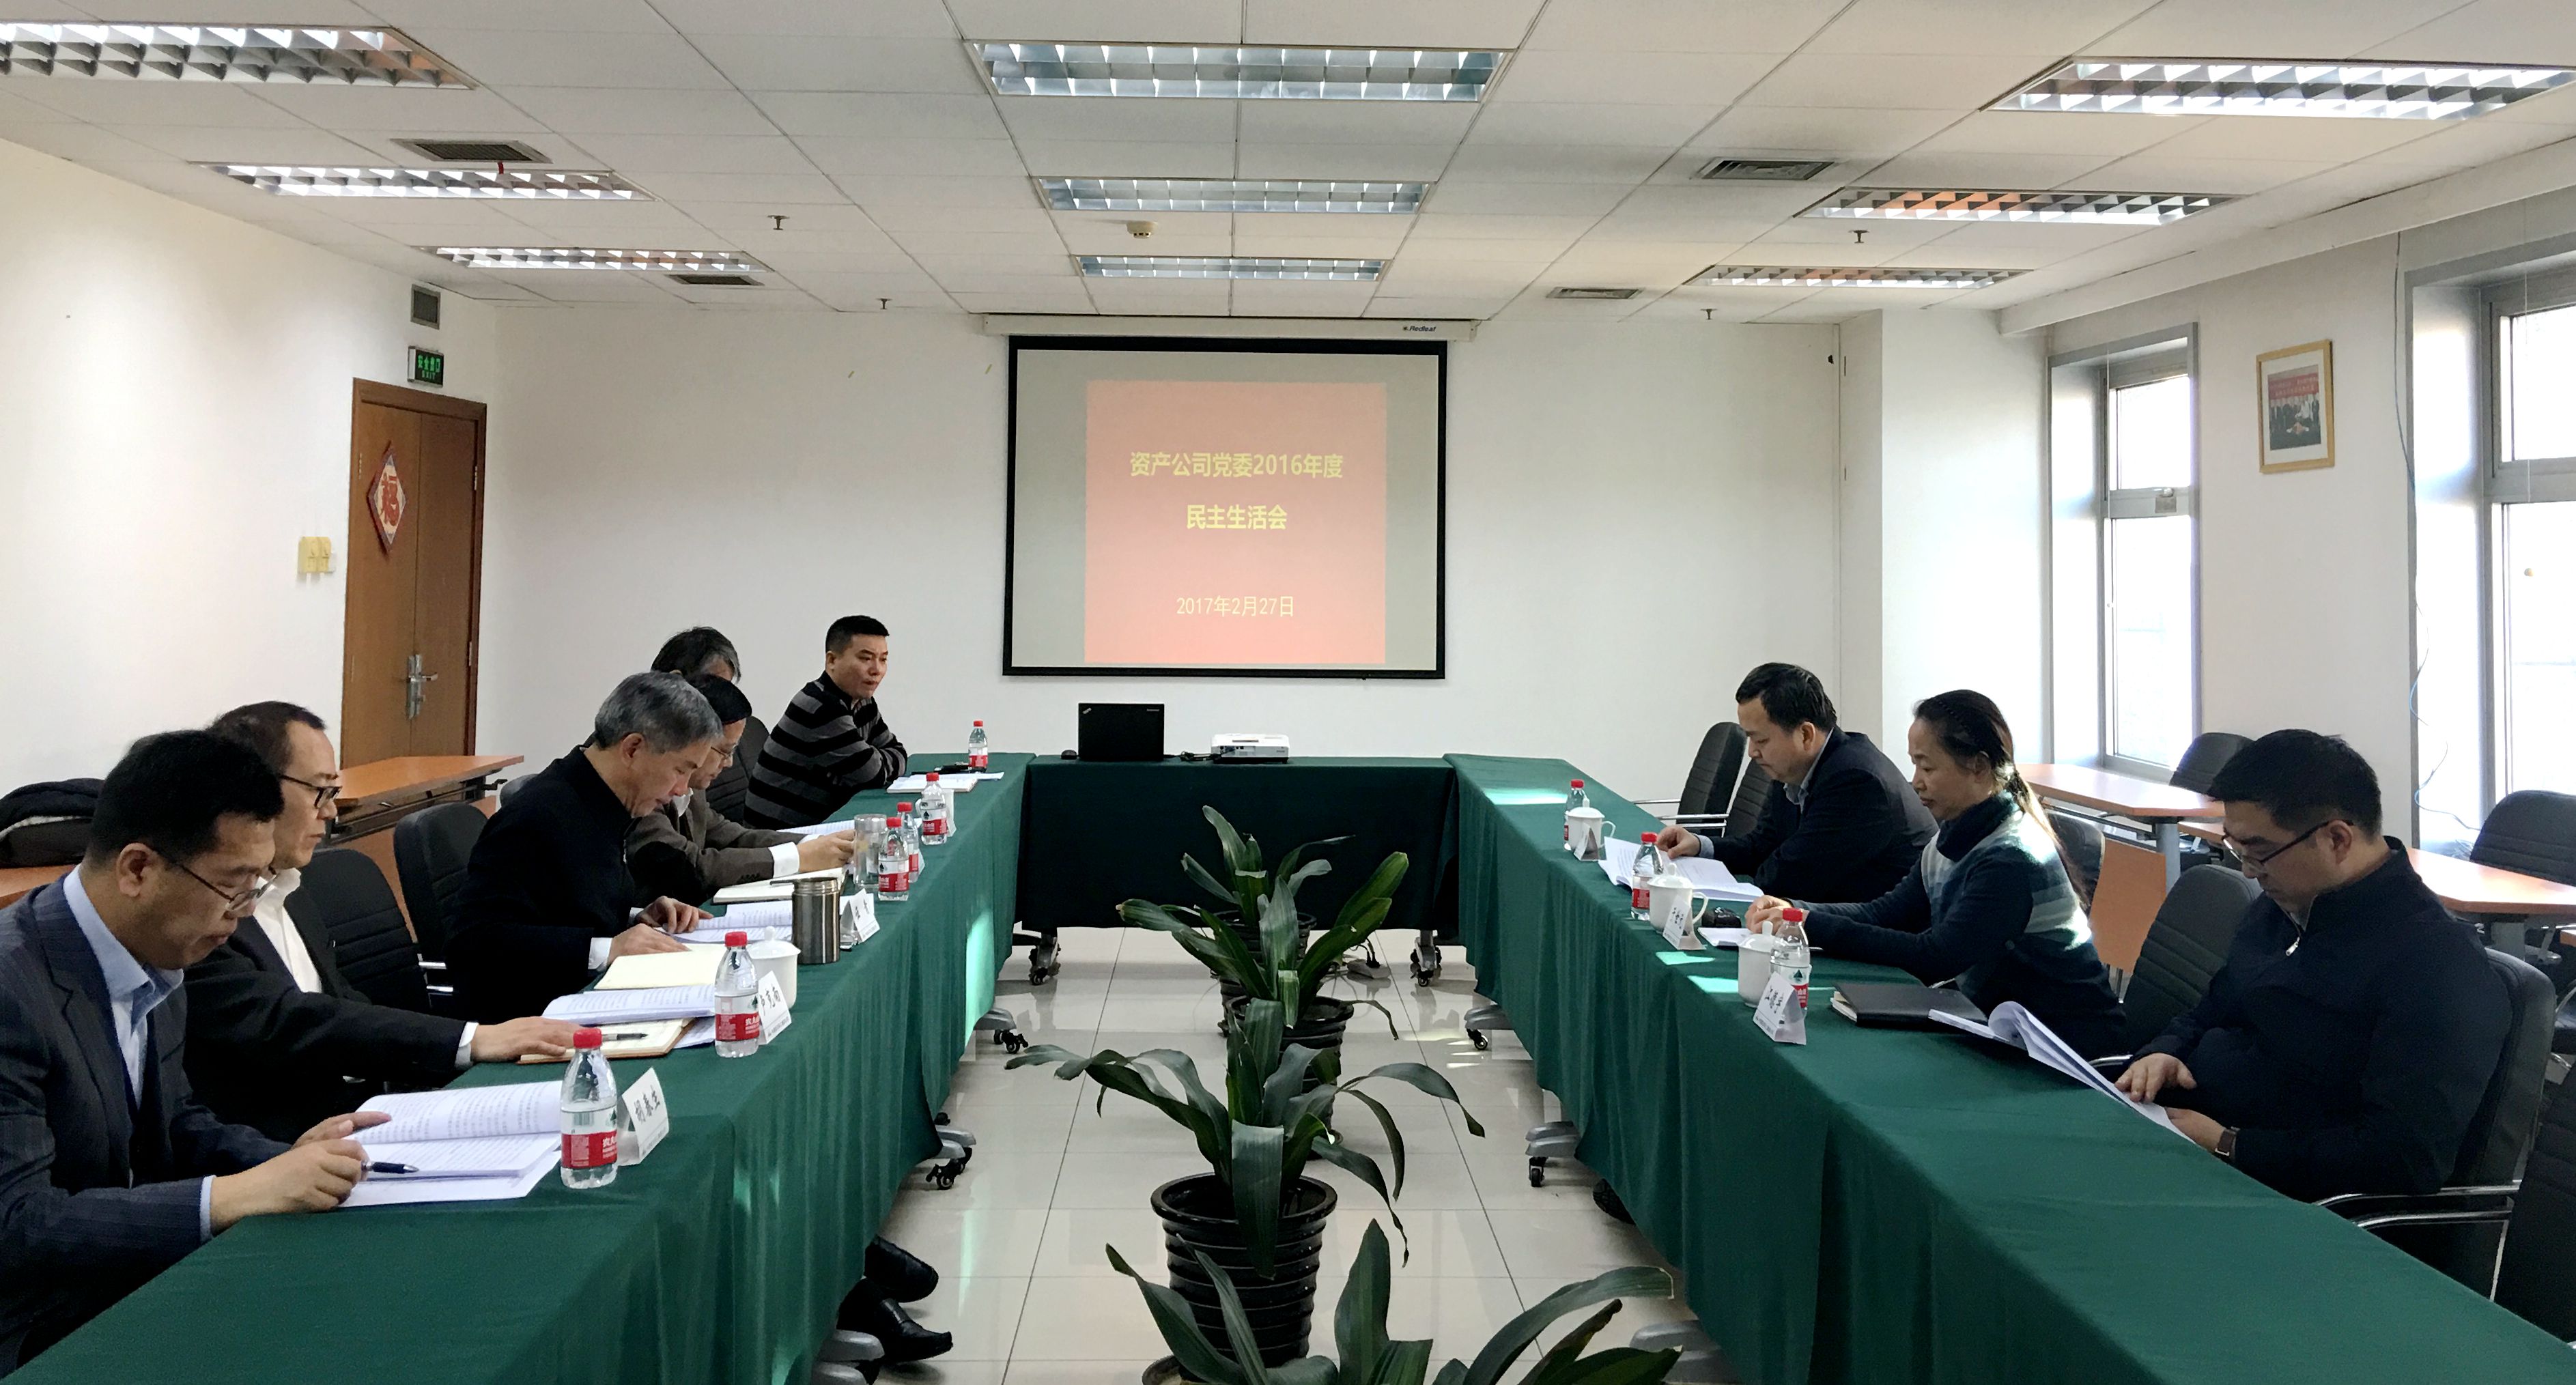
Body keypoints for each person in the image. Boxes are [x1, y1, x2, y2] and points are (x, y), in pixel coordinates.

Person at [0, 732, 386, 1373]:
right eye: (234, 886)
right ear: (138, 869)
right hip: (38, 1331)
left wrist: (289, 1161)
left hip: (134, 1279)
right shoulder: (13, 988)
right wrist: (229, 1196)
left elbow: (176, 1122)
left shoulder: (159, 950)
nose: (244, 913)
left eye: (257, 884)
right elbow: (17, 1225)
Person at [2115, 731, 2509, 1199]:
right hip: (2190, 1140)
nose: (2247, 871)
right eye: (2236, 848)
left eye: (2259, 851)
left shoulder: (2434, 964)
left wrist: (2231, 1145)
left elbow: (2405, 1157)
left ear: (2336, 839)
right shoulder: (2282, 906)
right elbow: (2213, 1008)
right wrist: (2166, 1051)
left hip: (2275, 1192)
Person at [186, 702, 578, 1141]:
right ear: (254, 791)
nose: (331, 813)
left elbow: (343, 1005)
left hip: (358, 1117)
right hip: (278, 1144)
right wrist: (470, 1040)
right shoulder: (202, 915)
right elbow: (289, 1021)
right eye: (320, 791)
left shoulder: (290, 888)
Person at [1746, 690, 2123, 1056]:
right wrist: (1796, 912)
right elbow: (1886, 912)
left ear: (1978, 766)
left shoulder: (2011, 858)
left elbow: (1934, 956)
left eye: (1927, 767)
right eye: (1914, 765)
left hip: (2064, 1049)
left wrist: (1812, 924)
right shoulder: (1952, 838)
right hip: (2003, 1031)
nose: (1916, 782)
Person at [445, 674, 714, 1023]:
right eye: (680, 770)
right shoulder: (538, 816)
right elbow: (473, 942)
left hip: (583, 1002)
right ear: (633, 749)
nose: (681, 789)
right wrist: (608, 948)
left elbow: (565, 908)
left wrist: (636, 916)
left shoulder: (604, 803)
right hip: (529, 1023)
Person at [1656, 663, 1931, 903]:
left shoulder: (1857, 782)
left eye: (1761, 740)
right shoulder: (1795, 767)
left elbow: (1790, 878)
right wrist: (1700, 845)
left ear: (1805, 735)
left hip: (1884, 934)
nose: (1752, 752)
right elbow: (1763, 844)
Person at [627, 675, 858, 906]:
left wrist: (818, 844)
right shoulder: (644, 791)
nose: (729, 763)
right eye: (725, 751)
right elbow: (692, 865)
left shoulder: (693, 787)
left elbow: (733, 837)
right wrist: (798, 858)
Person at [746, 615, 907, 830]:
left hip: (816, 824)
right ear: (832, 661)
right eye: (865, 658)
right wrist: (865, 766)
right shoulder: (821, 707)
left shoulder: (862, 701)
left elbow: (897, 751)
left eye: (883, 659)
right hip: (782, 836)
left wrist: (866, 765)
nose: (876, 670)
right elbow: (873, 775)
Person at [651, 627, 762, 824]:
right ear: (675, 683)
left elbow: (714, 828)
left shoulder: (697, 748)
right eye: (712, 687)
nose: (722, 700)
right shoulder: (649, 757)